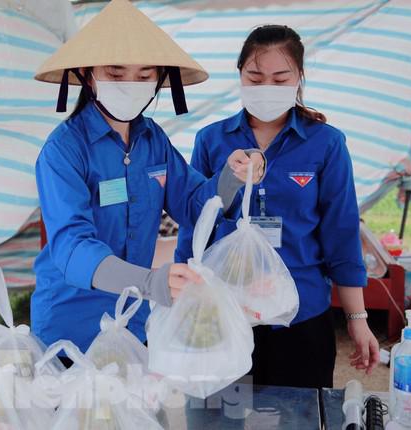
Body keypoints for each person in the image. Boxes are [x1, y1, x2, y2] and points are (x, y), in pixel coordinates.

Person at [31, 0, 264, 363]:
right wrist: (150, 282)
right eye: (116, 72)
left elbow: (192, 205)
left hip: (133, 323)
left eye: (144, 76)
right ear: (87, 73)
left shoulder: (153, 141)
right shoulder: (63, 150)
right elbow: (71, 248)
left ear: (159, 81)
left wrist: (231, 177)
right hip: (70, 327)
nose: (131, 85)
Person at [175, 24, 379, 389]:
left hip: (300, 316)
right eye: (255, 78)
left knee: (298, 416)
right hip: (224, 314)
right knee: (220, 417)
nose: (266, 88)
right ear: (239, 75)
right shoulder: (212, 140)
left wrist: (358, 318)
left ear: (299, 78)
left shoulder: (326, 144)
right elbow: (195, 225)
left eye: (280, 78)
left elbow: (342, 233)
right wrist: (181, 298)